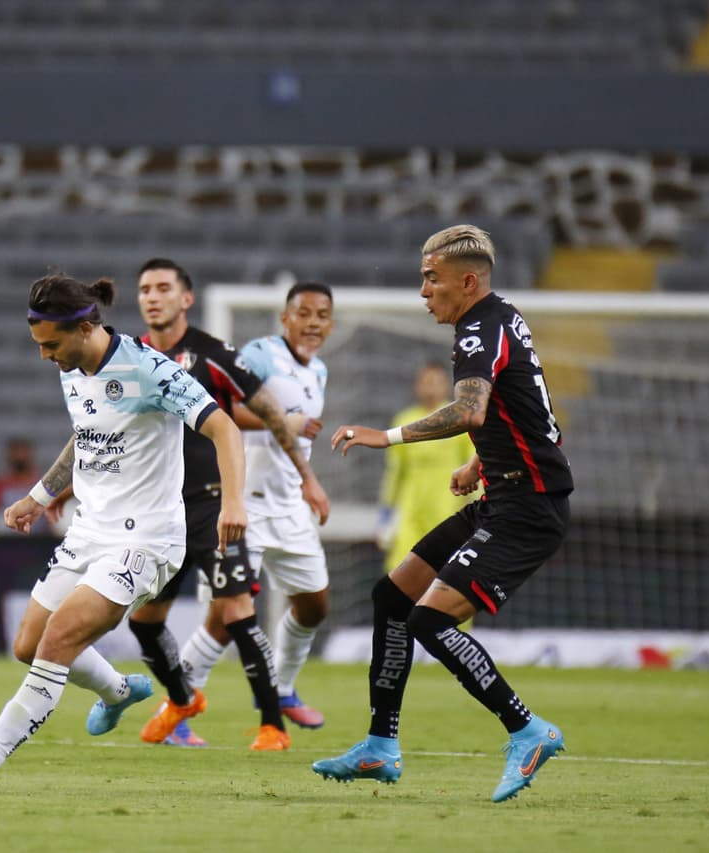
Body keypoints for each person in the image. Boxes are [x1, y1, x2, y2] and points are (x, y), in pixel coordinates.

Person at [0, 272, 247, 794]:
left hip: (144, 540)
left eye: (51, 345)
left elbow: (224, 428)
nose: (44, 356)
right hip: (88, 530)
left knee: (58, 640)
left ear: (84, 327)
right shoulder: (70, 365)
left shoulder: (148, 369)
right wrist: (39, 495)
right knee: (28, 645)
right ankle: (119, 691)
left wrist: (232, 501)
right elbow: (88, 431)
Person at [317, 224, 573, 803]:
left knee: (429, 622)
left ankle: (528, 730)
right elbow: (537, 415)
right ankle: (380, 746)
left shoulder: (480, 329)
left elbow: (471, 410)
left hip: (526, 509)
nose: (423, 292)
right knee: (393, 598)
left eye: (431, 279)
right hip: (501, 494)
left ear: (467, 280)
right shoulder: (501, 317)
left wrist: (386, 436)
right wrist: (482, 467)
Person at [127, 258, 324, 751]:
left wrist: (306, 476)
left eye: (163, 288)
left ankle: (273, 727)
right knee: (144, 622)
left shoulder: (213, 355)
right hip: (157, 510)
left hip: (214, 504)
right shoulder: (128, 357)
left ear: (185, 299)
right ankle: (181, 700)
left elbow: (268, 412)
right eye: (145, 289)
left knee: (237, 610)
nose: (153, 296)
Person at [178, 282, 337, 731]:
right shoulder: (260, 356)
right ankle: (177, 708)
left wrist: (309, 482)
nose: (312, 323)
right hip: (242, 502)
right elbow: (223, 410)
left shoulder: (318, 371)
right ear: (285, 318)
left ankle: (283, 686)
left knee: (314, 606)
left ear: (331, 323)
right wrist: (287, 421)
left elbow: (292, 438)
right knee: (224, 617)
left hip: (289, 506)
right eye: (302, 313)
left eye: (321, 315)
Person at [377, 363, 475, 574]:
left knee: (445, 570)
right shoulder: (404, 421)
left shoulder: (459, 418)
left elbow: (473, 465)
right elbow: (395, 471)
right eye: (425, 381)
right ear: (417, 386)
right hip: (411, 506)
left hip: (447, 505)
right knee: (400, 570)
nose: (430, 387)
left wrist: (476, 508)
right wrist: (386, 512)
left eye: (435, 382)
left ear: (447, 386)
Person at [0, 437, 51, 536]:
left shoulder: (41, 483)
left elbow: (49, 516)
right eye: (16, 452)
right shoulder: (0, 484)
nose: (20, 457)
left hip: (37, 540)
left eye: (23, 452)